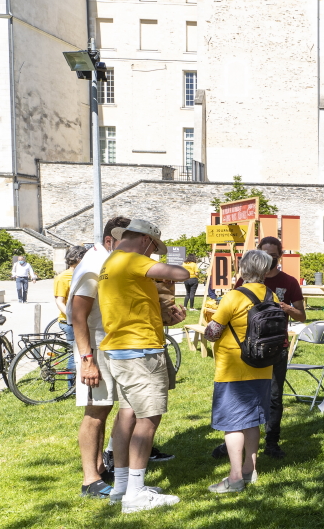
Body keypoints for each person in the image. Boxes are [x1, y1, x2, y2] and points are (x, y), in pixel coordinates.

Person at [94, 218, 190, 513]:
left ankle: (123, 486)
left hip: (121, 349)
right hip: (140, 352)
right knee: (148, 419)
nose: (153, 255)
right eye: (153, 248)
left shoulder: (110, 263)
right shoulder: (132, 260)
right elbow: (181, 272)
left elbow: (135, 304)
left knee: (128, 416)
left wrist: (162, 313)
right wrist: (176, 269)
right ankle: (135, 495)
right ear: (145, 240)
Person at [213, 236, 305, 460]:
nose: (270, 260)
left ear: (279, 256)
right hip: (250, 351)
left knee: (271, 397)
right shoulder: (252, 289)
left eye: (273, 256)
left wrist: (286, 309)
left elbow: (302, 315)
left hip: (271, 349)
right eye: (266, 256)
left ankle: (270, 442)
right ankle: (237, 447)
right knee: (249, 399)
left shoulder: (288, 283)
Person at [204, 250, 278, 492]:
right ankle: (249, 470)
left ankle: (235, 478)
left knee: (233, 423)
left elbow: (213, 332)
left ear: (243, 268)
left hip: (233, 369)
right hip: (263, 366)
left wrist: (208, 326)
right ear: (266, 270)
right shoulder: (272, 296)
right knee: (252, 421)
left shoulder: (233, 297)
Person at [70, 217, 130, 500]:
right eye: (125, 243)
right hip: (93, 347)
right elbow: (77, 315)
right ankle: (90, 480)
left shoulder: (107, 262)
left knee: (104, 408)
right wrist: (86, 359)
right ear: (109, 241)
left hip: (107, 345)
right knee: (95, 411)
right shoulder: (94, 266)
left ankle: (98, 466)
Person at [54, 245, 88, 381]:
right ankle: (71, 386)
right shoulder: (63, 277)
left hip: (79, 320)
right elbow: (59, 301)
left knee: (77, 351)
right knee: (74, 353)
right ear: (78, 259)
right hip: (69, 322)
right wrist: (72, 318)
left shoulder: (82, 274)